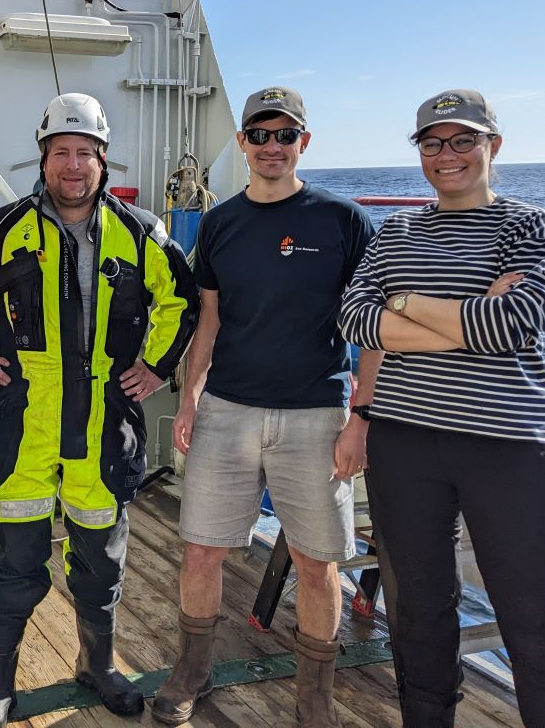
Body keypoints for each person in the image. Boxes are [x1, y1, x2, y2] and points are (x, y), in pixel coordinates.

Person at [338, 89, 545, 726]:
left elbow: (512, 323)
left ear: (492, 145)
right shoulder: (397, 231)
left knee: (534, 621)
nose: (446, 154)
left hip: (507, 446)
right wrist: (465, 320)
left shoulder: (530, 225)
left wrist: (403, 304)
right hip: (404, 441)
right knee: (418, 617)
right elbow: (354, 318)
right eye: (432, 142)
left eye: (463, 140)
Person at [0, 92, 199, 727]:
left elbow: (183, 300)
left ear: (102, 159)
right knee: (10, 555)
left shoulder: (141, 232)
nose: (72, 165)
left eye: (84, 152)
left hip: (104, 419)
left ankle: (97, 665)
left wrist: (157, 367)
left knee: (101, 555)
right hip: (23, 417)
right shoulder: (1, 228)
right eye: (61, 151)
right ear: (43, 158)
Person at [154, 86, 379, 727]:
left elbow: (373, 331)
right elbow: (209, 320)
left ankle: (314, 697)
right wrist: (190, 399)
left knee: (316, 561)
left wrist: (361, 418)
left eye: (285, 135)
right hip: (227, 409)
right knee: (202, 550)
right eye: (260, 134)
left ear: (304, 142)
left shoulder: (345, 221)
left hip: (317, 414)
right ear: (243, 143)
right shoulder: (220, 223)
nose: (272, 146)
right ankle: (192, 669)